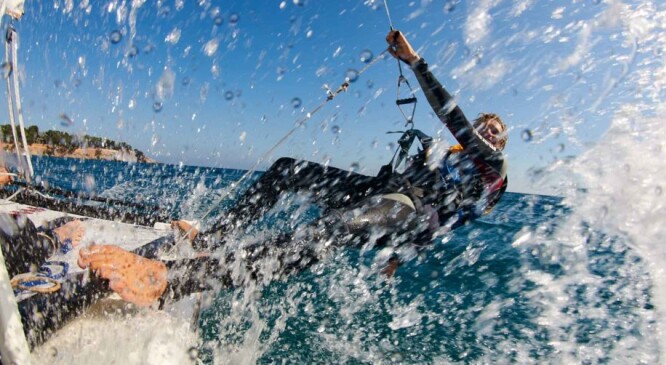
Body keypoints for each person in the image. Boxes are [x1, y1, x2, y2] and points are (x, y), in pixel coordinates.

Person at [78, 30, 509, 307]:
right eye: (484, 127)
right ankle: (215, 235)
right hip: (386, 191)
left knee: (337, 226)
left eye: (495, 134)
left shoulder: (493, 168)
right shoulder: (451, 154)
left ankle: (172, 280)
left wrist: (416, 63)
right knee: (288, 169)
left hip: (407, 210)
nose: (487, 135)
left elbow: (437, 202)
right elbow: (450, 137)